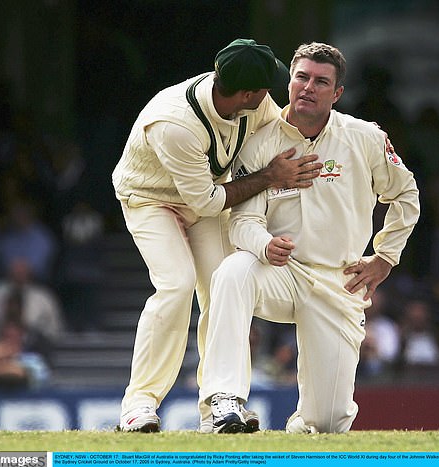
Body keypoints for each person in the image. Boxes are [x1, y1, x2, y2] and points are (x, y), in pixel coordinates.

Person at [199, 42, 420, 433]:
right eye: (301, 77)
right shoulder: (258, 142)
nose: (308, 87)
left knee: (329, 423)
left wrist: (385, 257)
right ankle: (225, 401)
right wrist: (264, 244)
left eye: (321, 82)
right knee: (234, 271)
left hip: (340, 280)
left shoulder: (365, 137)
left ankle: (300, 431)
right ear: (289, 83)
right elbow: (242, 222)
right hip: (281, 272)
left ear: (336, 94)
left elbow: (405, 193)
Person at [111, 38, 323, 433]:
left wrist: (342, 138)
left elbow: (284, 133)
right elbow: (209, 202)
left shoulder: (253, 103)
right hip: (150, 198)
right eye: (265, 88)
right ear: (247, 92)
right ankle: (138, 405)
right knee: (176, 284)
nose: (271, 95)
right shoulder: (175, 124)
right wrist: (270, 177)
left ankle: (218, 409)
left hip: (208, 195)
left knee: (223, 286)